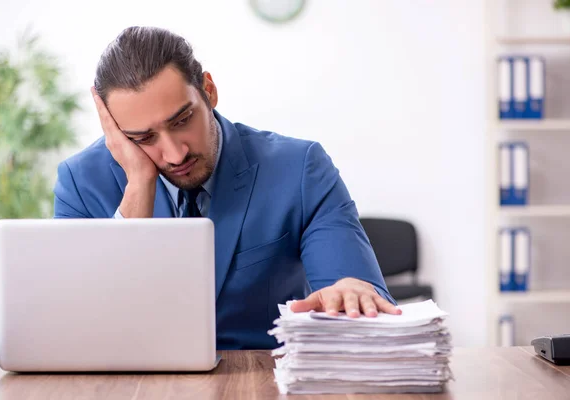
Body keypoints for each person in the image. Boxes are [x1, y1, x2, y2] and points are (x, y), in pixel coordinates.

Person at [53, 26, 400, 350]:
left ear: (209, 90)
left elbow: (357, 296)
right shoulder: (81, 183)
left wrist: (350, 293)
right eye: (143, 138)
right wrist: (139, 187)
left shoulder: (300, 169)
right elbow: (75, 330)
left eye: (182, 120)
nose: (175, 154)